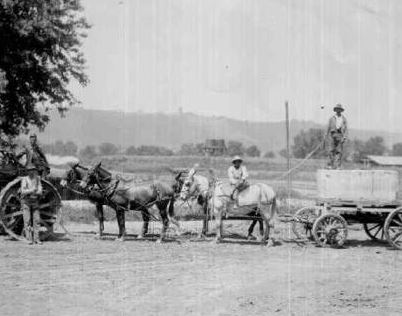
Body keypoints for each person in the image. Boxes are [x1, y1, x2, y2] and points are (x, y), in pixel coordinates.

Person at [21, 164, 43, 245]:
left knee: (37, 220)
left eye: (33, 170)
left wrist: (36, 191)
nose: (32, 171)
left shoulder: (37, 179)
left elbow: (40, 190)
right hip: (26, 202)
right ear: (27, 171)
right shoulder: (24, 179)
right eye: (30, 170)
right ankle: (29, 239)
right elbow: (23, 191)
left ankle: (37, 239)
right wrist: (32, 190)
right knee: (27, 221)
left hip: (35, 201)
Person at [326, 104, 348, 169]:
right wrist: (326, 135)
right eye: (337, 109)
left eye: (339, 109)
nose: (338, 110)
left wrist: (344, 137)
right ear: (335, 110)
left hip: (340, 135)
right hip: (332, 135)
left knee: (339, 151)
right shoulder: (332, 118)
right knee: (331, 150)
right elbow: (328, 127)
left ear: (341, 110)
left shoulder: (343, 119)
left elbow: (346, 128)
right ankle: (330, 165)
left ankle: (338, 166)